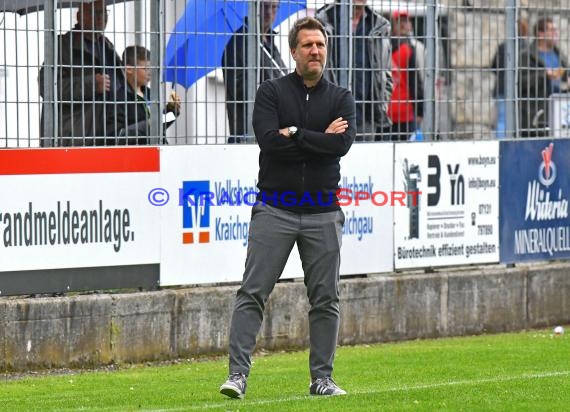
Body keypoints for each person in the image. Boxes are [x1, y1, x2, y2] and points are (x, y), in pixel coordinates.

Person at [219, 16, 356, 399]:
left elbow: (340, 146)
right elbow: (268, 141)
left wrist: (294, 133)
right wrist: (315, 138)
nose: (315, 51)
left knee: (326, 299)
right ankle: (237, 376)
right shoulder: (271, 93)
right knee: (253, 293)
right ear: (293, 51)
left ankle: (322, 379)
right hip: (274, 209)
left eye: (320, 45)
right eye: (308, 45)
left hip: (322, 211)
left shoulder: (341, 97)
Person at [38, 0, 126, 146]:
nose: (101, 17)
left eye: (104, 12)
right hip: (72, 140)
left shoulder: (107, 47)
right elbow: (46, 87)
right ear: (79, 16)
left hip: (106, 137)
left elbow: (121, 87)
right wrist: (91, 84)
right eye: (95, 12)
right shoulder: (62, 46)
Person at [316, 0, 392, 141]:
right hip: (330, 117)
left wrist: (383, 101)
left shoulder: (378, 24)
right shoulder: (324, 21)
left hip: (366, 118)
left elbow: (386, 70)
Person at [222, 0, 287, 144]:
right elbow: (240, 89)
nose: (269, 12)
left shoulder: (269, 41)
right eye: (264, 6)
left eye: (273, 7)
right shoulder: (239, 42)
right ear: (254, 8)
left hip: (274, 128)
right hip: (248, 132)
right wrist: (278, 94)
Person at [115, 45, 180, 144]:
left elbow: (159, 124)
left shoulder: (150, 94)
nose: (150, 73)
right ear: (129, 69)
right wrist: (150, 124)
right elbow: (119, 135)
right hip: (137, 154)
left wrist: (171, 110)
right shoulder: (118, 98)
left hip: (158, 150)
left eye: (151, 69)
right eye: (146, 68)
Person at [519, 17, 569, 137]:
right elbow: (521, 82)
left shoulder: (559, 54)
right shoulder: (527, 55)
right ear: (540, 34)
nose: (556, 33)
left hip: (559, 111)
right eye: (551, 30)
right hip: (537, 113)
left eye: (556, 30)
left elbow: (565, 76)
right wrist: (545, 75)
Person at [490, 13, 529, 138]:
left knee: (502, 119)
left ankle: (501, 143)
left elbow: (493, 66)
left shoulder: (503, 46)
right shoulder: (526, 48)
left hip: (502, 87)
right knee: (518, 119)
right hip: (519, 89)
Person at [388, 10, 424, 141]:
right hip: (405, 112)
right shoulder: (409, 49)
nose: (404, 25)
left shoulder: (382, 47)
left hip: (387, 111)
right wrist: (420, 110)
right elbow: (415, 82)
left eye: (406, 21)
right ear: (393, 25)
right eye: (400, 22)